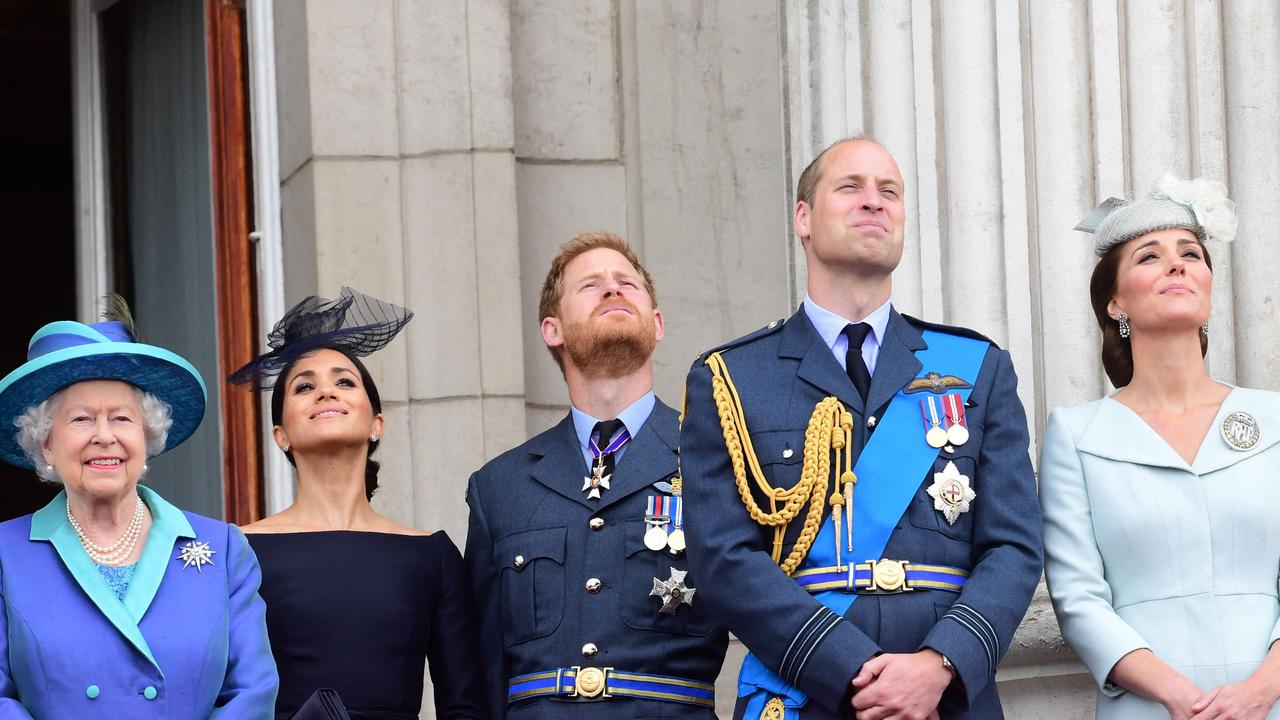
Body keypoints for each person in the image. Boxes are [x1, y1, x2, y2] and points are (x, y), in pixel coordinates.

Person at [679, 137, 1043, 719]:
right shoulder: (731, 377)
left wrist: (940, 663)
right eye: (850, 187)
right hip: (808, 693)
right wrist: (847, 665)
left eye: (890, 192)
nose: (874, 202)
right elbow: (722, 557)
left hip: (944, 700)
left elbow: (1015, 546)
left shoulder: (976, 367)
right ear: (803, 216)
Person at [1041, 175, 1280, 719]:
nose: (1177, 265)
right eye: (1149, 256)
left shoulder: (1275, 420)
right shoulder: (1076, 436)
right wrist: (1181, 698)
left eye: (1191, 253)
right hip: (1150, 708)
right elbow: (1079, 599)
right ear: (1115, 304)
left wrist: (1261, 690)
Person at [464, 232, 729, 719]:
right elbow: (482, 670)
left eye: (627, 282)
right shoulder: (499, 488)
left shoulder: (718, 461)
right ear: (553, 329)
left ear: (657, 323)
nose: (612, 289)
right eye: (591, 285)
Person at [0, 302, 277, 718]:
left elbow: (252, 693)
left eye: (122, 418)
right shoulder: (6, 553)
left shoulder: (222, 549)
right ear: (46, 445)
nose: (104, 436)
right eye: (81, 419)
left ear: (147, 439)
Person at [229, 287, 486, 720]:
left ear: (376, 424)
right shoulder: (236, 550)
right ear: (281, 434)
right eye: (304, 386)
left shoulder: (433, 555)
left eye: (344, 381)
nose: (326, 393)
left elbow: (465, 707)